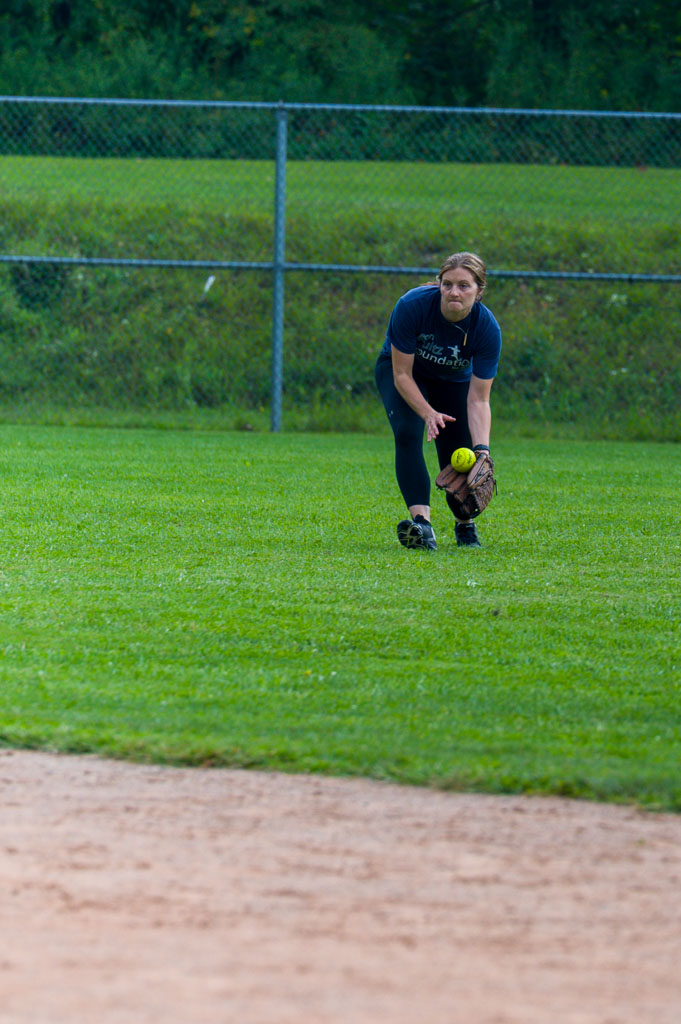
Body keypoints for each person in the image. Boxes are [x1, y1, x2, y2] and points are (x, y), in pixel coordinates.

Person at [374, 251, 501, 551]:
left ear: (479, 290)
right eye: (447, 284)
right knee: (407, 431)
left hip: (454, 380)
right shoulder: (412, 306)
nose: (454, 291)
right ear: (439, 284)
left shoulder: (486, 329)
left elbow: (479, 400)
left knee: (460, 452)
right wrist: (428, 412)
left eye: (464, 285)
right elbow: (402, 375)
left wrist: (483, 450)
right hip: (406, 373)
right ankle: (422, 526)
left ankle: (465, 526)